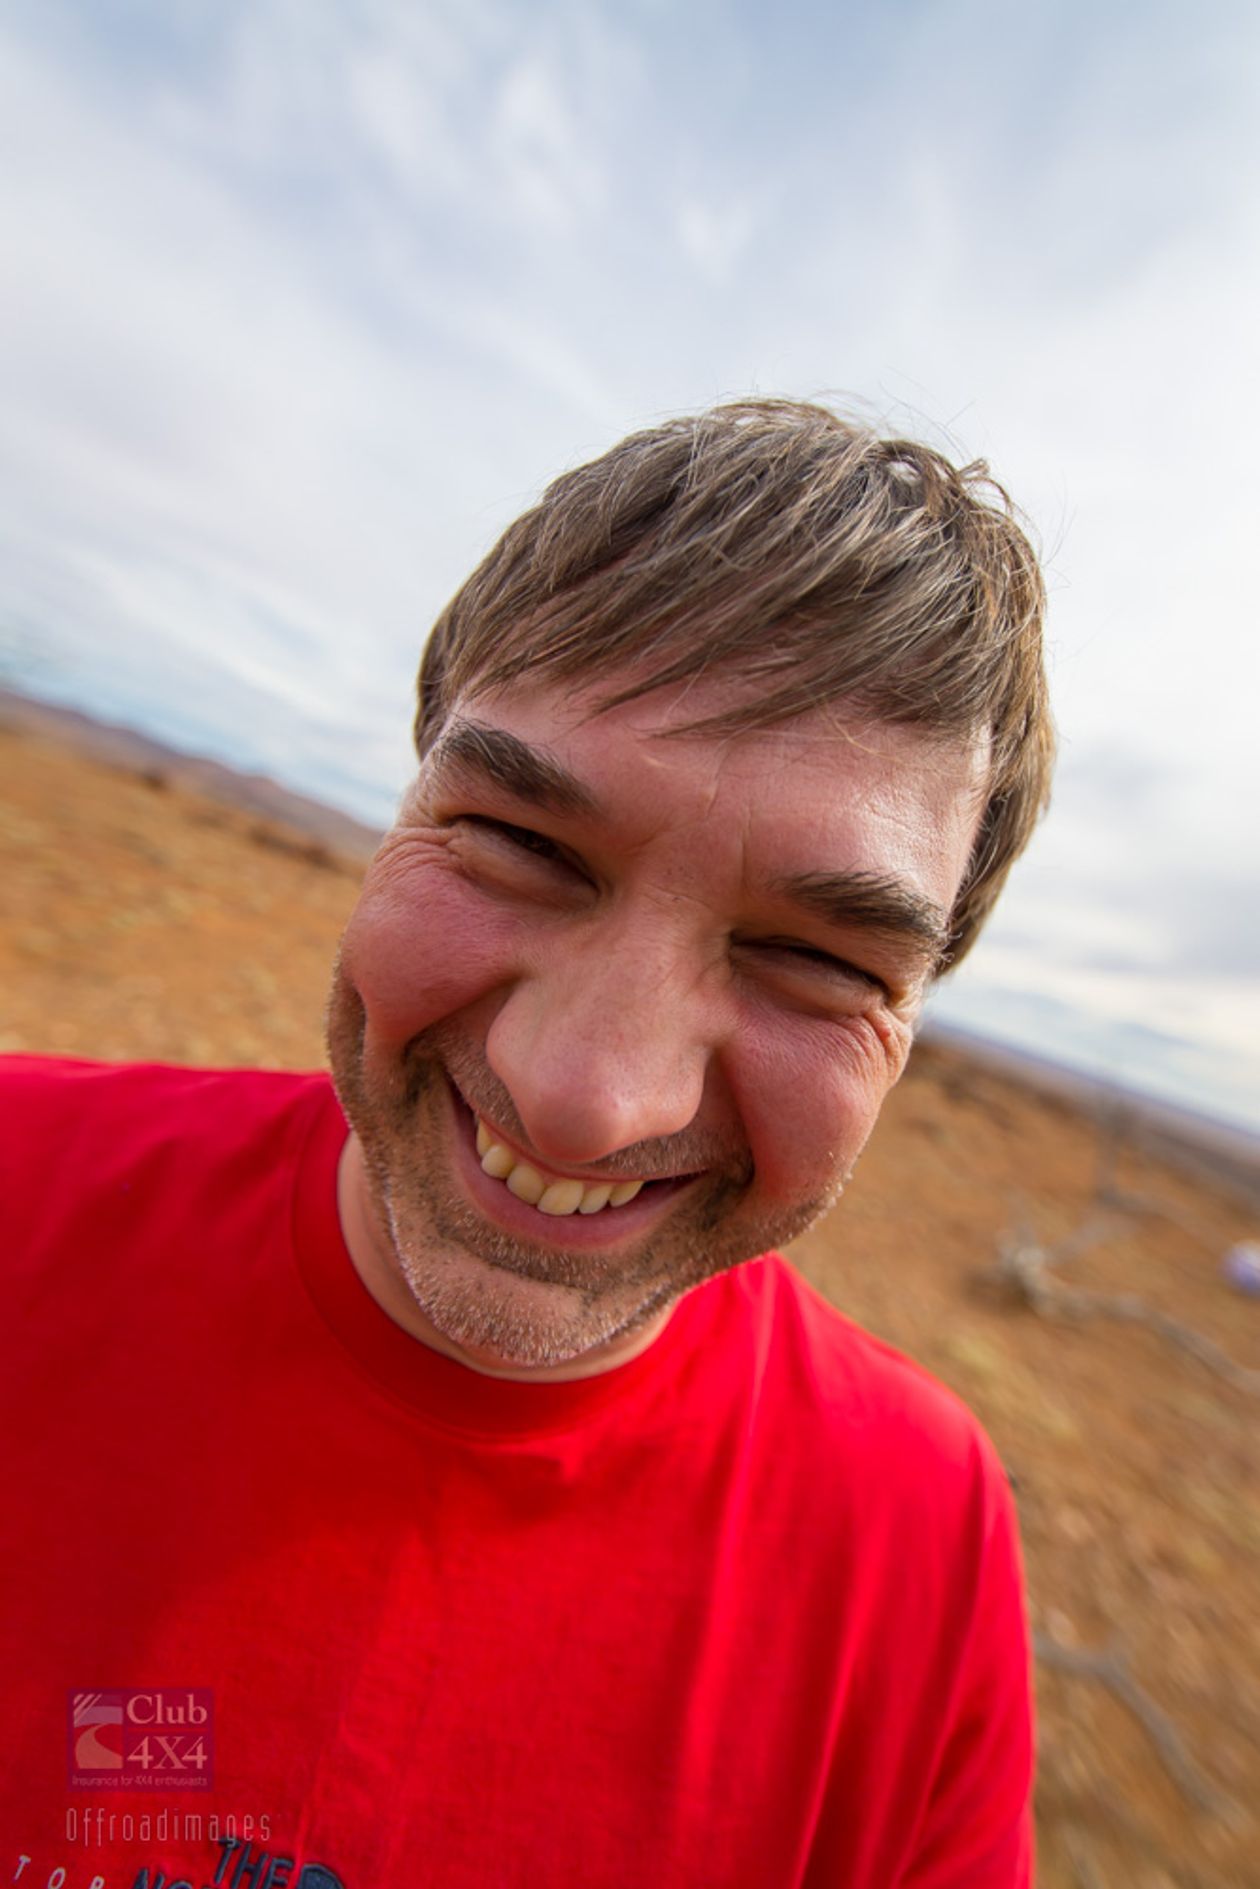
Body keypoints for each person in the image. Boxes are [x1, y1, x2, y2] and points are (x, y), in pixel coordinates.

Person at [0, 399, 1052, 1888]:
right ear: (407, 795)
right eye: (523, 846)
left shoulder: (917, 1540)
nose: (585, 1101)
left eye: (818, 960)